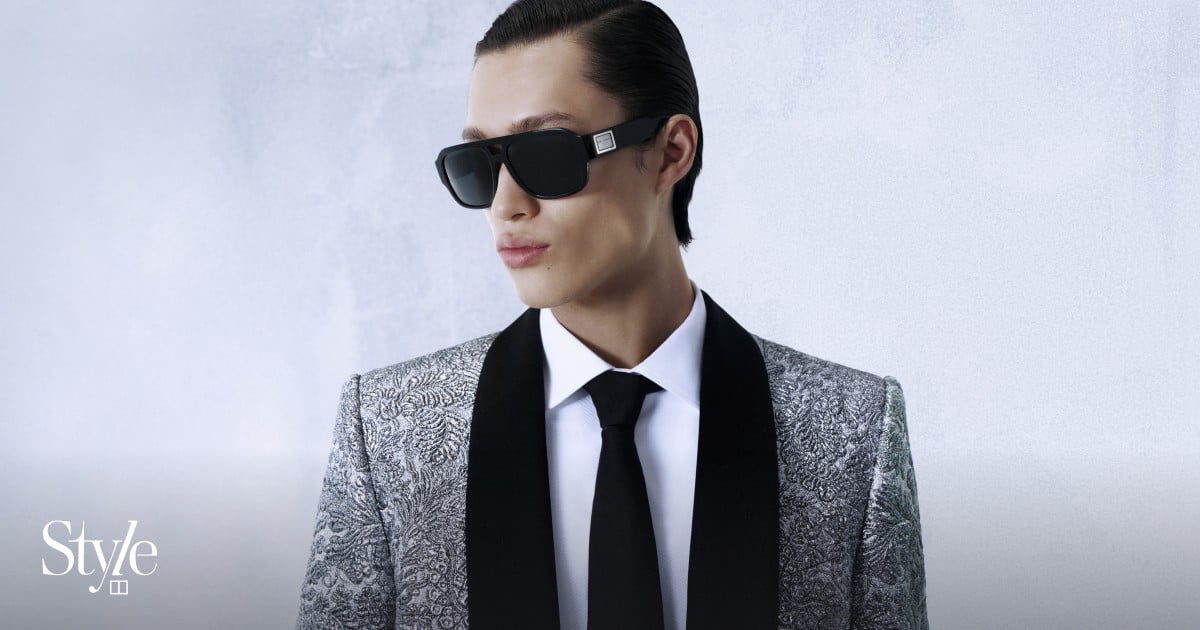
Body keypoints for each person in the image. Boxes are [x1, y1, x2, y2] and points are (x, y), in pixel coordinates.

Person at [295, 1, 928, 628]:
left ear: (671, 151)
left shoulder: (853, 430)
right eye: (479, 164)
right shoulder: (389, 432)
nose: (506, 205)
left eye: (546, 154)